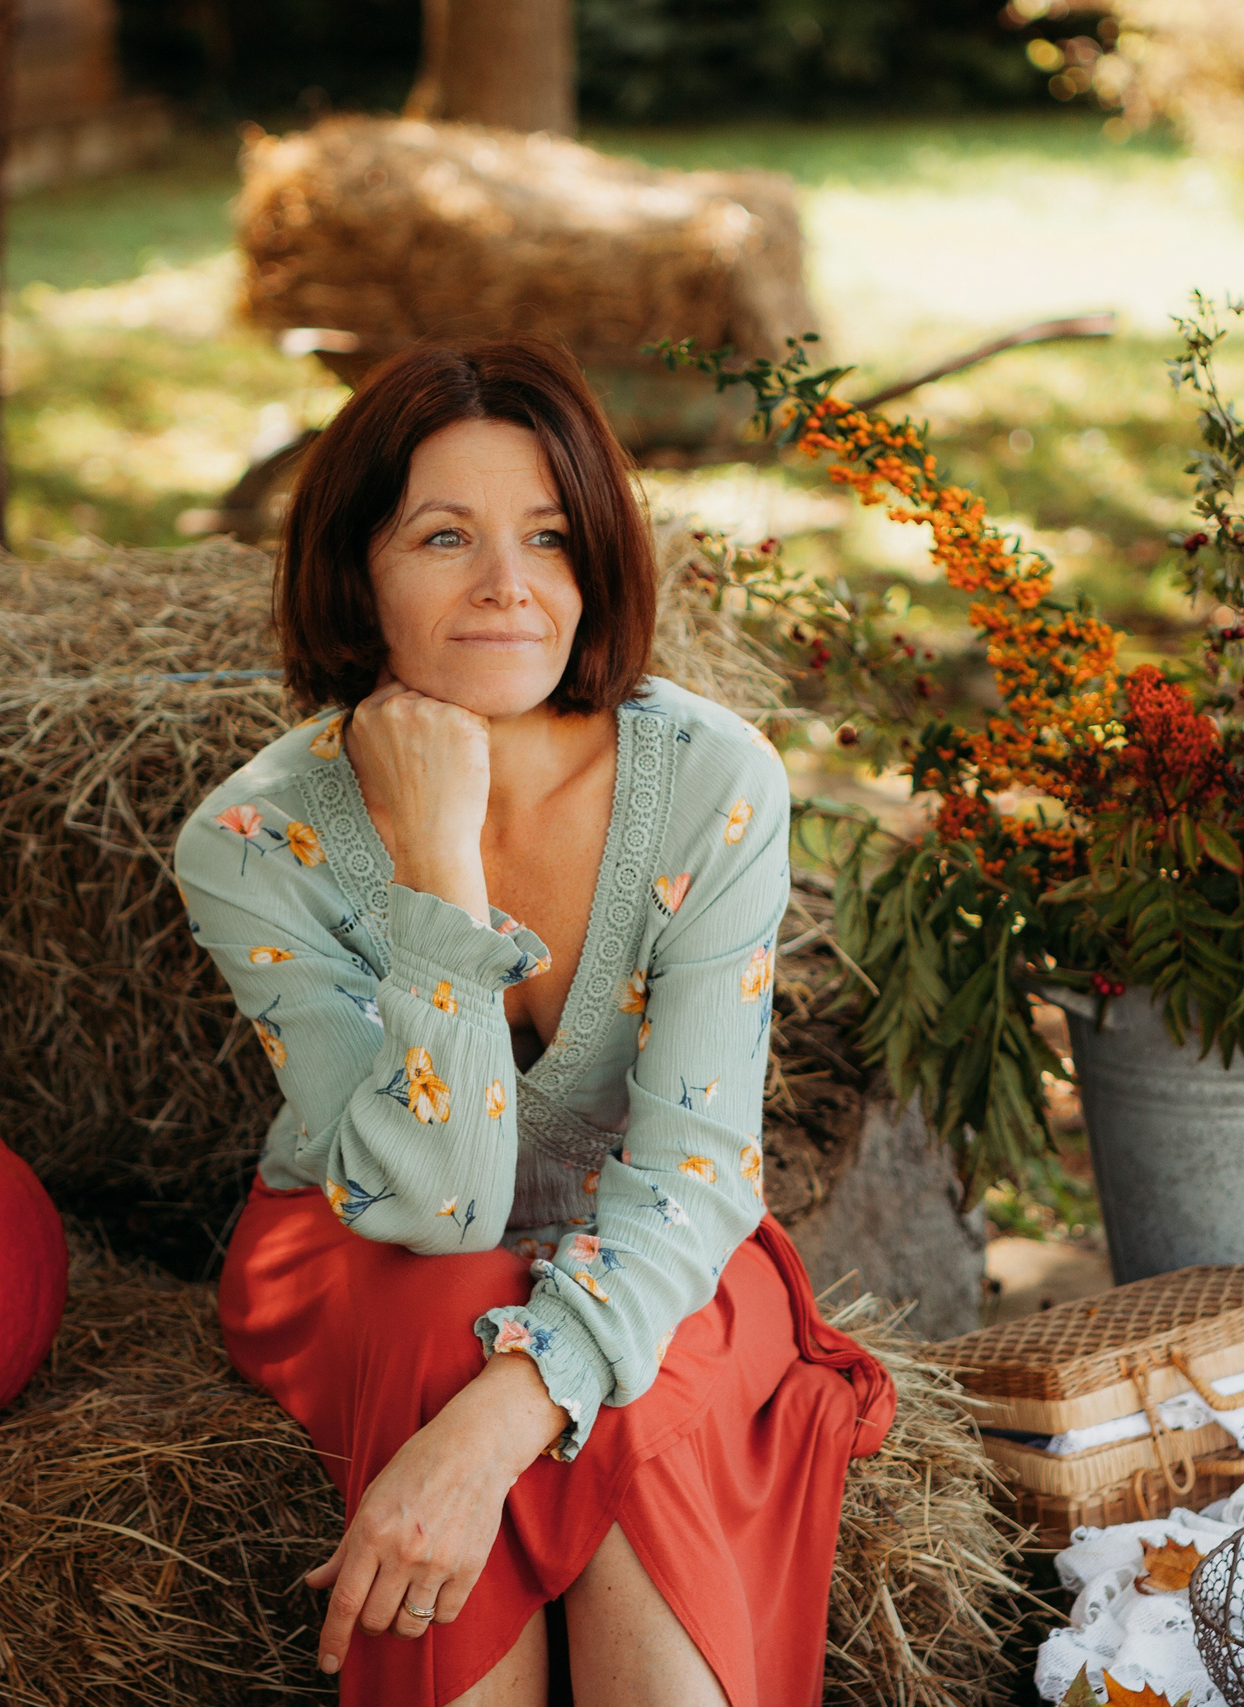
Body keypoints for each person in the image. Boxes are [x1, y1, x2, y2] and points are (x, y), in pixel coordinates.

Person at [177, 338, 894, 1707]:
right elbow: (437, 1212)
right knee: (461, 1300)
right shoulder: (252, 837)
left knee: (637, 1376)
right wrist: (442, 871)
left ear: (596, 564)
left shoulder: (711, 784)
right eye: (445, 536)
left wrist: (493, 1431)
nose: (509, 585)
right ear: (356, 571)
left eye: (550, 538)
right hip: (366, 1245)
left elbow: (691, 1174)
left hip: (654, 1235)